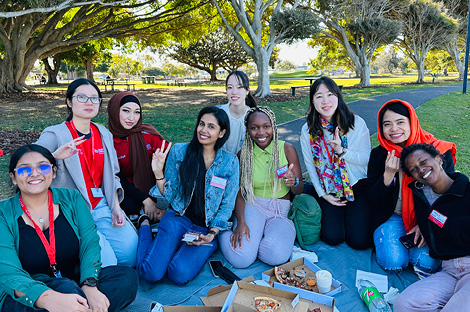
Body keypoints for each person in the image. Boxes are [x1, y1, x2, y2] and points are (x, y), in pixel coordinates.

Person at [0, 144, 138, 312]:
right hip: (27, 291)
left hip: (74, 280)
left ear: (54, 171)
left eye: (42, 167)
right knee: (66, 289)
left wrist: (89, 284)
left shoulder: (72, 198)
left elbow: (90, 243)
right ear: (14, 177)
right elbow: (9, 273)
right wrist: (49, 299)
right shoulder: (3, 214)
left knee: (126, 278)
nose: (34, 173)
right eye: (24, 170)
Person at [35, 78, 138, 267]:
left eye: (94, 98)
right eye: (81, 97)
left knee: (130, 256)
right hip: (73, 210)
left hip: (101, 204)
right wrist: (55, 156)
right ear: (69, 102)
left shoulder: (103, 133)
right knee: (107, 264)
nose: (89, 102)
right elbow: (30, 168)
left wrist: (115, 206)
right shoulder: (55, 134)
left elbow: (113, 175)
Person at [136, 106, 239, 284]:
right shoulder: (179, 152)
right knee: (150, 274)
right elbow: (168, 197)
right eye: (201, 124)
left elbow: (227, 205)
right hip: (178, 217)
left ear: (221, 133)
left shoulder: (230, 163)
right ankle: (144, 225)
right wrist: (158, 173)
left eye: (211, 127)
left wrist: (212, 234)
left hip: (205, 228)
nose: (203, 130)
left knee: (179, 274)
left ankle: (169, 246)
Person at [367, 99, 456, 275]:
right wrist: (388, 174)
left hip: (429, 218)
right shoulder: (379, 154)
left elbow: (450, 197)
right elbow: (372, 197)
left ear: (412, 122)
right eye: (387, 124)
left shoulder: (435, 152)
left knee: (426, 263)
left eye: (400, 122)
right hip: (393, 216)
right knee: (393, 262)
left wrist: (426, 225)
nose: (394, 129)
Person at [219, 106, 304, 268]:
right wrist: (242, 221)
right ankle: (223, 232)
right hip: (253, 206)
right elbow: (239, 191)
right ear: (248, 130)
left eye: (266, 126)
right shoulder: (243, 154)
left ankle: (261, 240)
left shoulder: (287, 149)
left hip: (279, 211)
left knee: (276, 256)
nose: (261, 132)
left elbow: (298, 191)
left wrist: (294, 182)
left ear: (273, 127)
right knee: (242, 259)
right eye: (254, 128)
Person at [394, 143, 470, 312]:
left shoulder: (466, 189)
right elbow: (435, 218)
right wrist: (425, 226)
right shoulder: (421, 197)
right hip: (449, 270)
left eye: (423, 162)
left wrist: (444, 222)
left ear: (438, 159)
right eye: (413, 169)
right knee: (403, 305)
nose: (420, 170)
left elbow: (448, 220)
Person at [300, 76, 372, 250]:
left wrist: (342, 151)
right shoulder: (308, 130)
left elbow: (364, 159)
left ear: (338, 96)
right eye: (319, 96)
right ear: (313, 101)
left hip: (356, 186)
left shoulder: (356, 123)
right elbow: (310, 166)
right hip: (328, 188)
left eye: (330, 94)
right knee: (333, 237)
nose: (325, 101)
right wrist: (322, 194)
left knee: (359, 241)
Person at [107, 91, 168, 221]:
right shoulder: (108, 141)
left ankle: (143, 217)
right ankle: (142, 215)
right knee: (127, 204)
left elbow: (171, 162)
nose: (132, 118)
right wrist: (146, 201)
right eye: (126, 111)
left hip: (155, 187)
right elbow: (118, 178)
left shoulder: (148, 134)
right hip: (127, 190)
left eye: (137, 112)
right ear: (113, 110)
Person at [218, 70, 257, 155]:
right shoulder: (217, 114)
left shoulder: (254, 117)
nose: (234, 92)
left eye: (239, 87)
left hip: (243, 166)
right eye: (230, 87)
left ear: (247, 91)